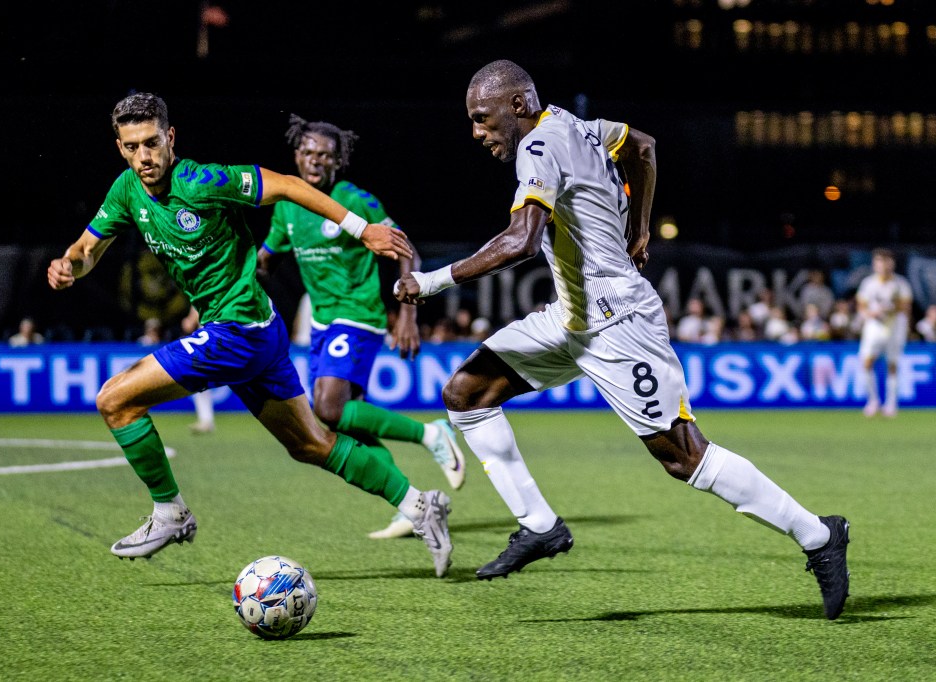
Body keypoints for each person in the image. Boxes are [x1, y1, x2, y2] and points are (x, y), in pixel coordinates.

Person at [395, 60, 850, 618]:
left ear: (518, 105)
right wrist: (639, 226)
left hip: (618, 324)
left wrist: (431, 282)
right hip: (570, 317)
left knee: (686, 458)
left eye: (482, 119)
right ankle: (540, 526)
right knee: (466, 395)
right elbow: (645, 147)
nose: (477, 132)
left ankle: (820, 537)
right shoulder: (584, 126)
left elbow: (520, 241)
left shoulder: (538, 146)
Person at [46, 92, 452, 577]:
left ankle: (169, 512)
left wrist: (361, 228)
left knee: (115, 400)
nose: (144, 156)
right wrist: (71, 265)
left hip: (237, 329)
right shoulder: (126, 190)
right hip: (259, 331)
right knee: (311, 444)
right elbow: (90, 247)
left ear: (170, 137)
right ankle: (420, 504)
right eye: (132, 147)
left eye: (152, 143)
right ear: (120, 147)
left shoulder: (202, 181)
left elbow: (282, 185)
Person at [257, 114, 467, 541]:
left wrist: (407, 313)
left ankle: (432, 433)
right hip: (321, 324)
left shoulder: (353, 198)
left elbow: (405, 248)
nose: (316, 161)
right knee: (347, 423)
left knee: (327, 411)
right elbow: (267, 256)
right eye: (309, 153)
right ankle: (412, 505)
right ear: (297, 155)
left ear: (338, 162)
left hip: (359, 316)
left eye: (326, 156)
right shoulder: (287, 204)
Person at [855, 248, 913, 418]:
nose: (883, 265)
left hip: (894, 326)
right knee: (866, 361)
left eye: (886, 261)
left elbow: (906, 306)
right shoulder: (868, 283)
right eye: (879, 261)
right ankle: (873, 401)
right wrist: (870, 313)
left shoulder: (900, 284)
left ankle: (891, 403)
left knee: (892, 365)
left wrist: (891, 307)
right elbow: (861, 306)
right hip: (874, 326)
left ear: (892, 263)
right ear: (874, 264)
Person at [180, 305, 215, 434]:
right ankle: (206, 420)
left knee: (199, 378)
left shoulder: (205, 287)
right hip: (220, 338)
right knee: (199, 379)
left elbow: (189, 323)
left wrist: (190, 319)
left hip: (213, 340)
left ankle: (206, 420)